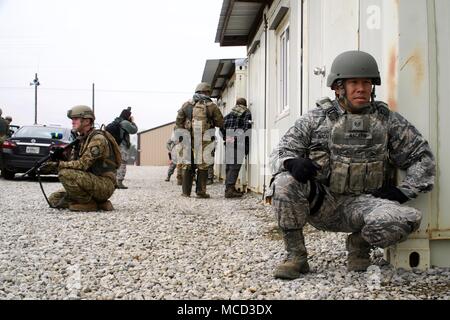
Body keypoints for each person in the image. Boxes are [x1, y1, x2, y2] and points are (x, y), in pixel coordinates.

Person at [266, 50, 436, 280]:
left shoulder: (387, 120)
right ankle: (296, 256)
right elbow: (280, 151)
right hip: (323, 202)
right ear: (338, 87)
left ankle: (359, 243)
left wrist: (403, 190)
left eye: (366, 82)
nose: (361, 88)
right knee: (284, 183)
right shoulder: (316, 119)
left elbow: (422, 157)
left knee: (404, 219)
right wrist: (291, 161)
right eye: (353, 82)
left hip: (365, 205)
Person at [47, 105, 120, 212]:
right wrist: (60, 158)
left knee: (64, 173)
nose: (72, 122)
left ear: (86, 121)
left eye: (75, 119)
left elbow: (82, 165)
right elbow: (74, 163)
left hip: (104, 184)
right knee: (54, 199)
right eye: (72, 119)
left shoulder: (97, 139)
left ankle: (87, 203)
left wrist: (59, 165)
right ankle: (99, 204)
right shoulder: (81, 139)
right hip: (90, 182)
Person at [175, 82, 224, 198]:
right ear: (207, 92)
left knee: (188, 164)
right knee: (203, 165)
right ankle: (201, 192)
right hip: (204, 139)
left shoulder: (187, 105)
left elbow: (178, 122)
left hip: (187, 139)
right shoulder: (211, 105)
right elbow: (220, 122)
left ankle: (186, 192)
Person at [220, 97, 252, 198]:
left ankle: (228, 188)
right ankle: (230, 190)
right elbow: (247, 128)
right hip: (239, 143)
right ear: (245, 104)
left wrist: (227, 137)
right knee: (235, 167)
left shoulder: (228, 115)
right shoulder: (246, 112)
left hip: (229, 142)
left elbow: (221, 128)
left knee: (229, 166)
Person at [109, 107, 138, 189]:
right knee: (122, 163)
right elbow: (134, 130)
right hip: (121, 145)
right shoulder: (124, 122)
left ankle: (113, 182)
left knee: (115, 163)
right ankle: (119, 182)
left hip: (114, 144)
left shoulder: (116, 121)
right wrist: (132, 121)